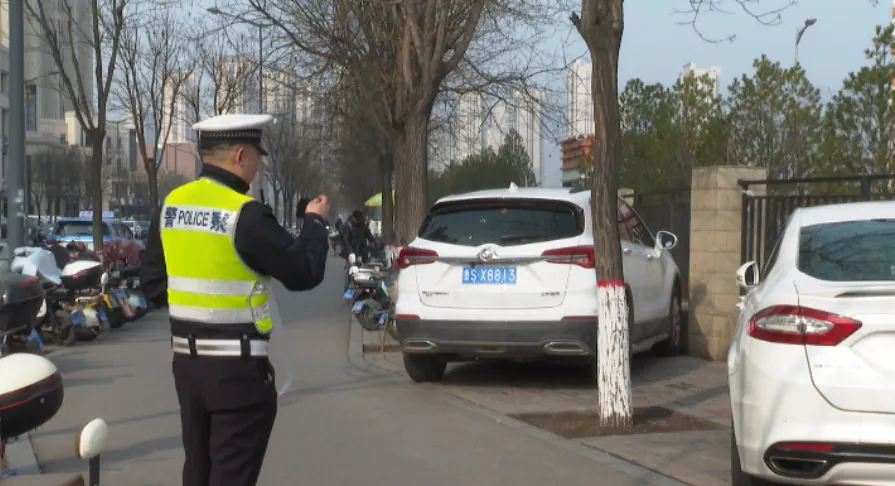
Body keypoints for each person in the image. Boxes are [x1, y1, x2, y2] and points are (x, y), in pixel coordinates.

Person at [139, 113, 330, 486]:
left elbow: (152, 286)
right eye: (257, 157)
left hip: (187, 368)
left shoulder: (171, 206)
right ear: (240, 155)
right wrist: (315, 222)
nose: (258, 168)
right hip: (237, 373)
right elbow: (304, 271)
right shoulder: (244, 214)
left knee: (197, 471)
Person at [339, 209, 376, 292]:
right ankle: (347, 289)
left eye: (360, 220)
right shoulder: (347, 226)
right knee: (350, 271)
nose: (358, 221)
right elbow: (346, 241)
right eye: (357, 220)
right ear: (353, 218)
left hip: (362, 251)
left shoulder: (363, 225)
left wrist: (373, 242)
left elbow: (368, 235)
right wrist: (350, 252)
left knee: (362, 271)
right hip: (350, 253)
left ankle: (360, 289)